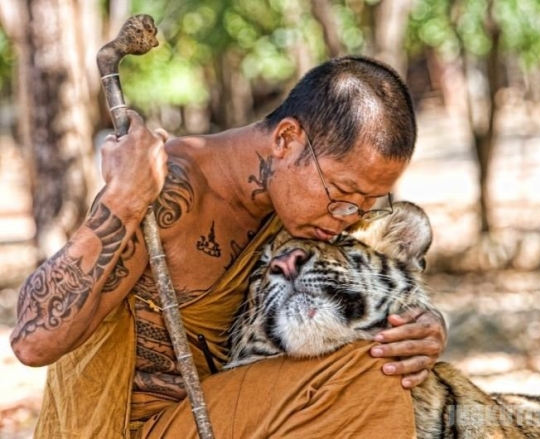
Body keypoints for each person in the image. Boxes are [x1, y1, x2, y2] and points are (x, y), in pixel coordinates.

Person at [11, 55, 447, 438]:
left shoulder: (299, 212)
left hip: (219, 410)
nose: (348, 218)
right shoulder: (170, 193)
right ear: (286, 140)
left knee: (378, 366)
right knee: (363, 378)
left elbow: (368, 284)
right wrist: (123, 199)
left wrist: (424, 327)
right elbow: (32, 341)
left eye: (366, 205)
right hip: (126, 428)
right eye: (342, 194)